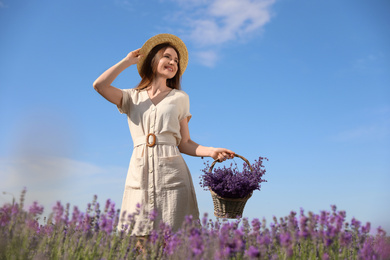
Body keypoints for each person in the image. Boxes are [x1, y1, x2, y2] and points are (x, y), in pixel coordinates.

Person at [93, 33, 234, 236]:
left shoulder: (180, 98)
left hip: (173, 176)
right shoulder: (132, 97)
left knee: (175, 243)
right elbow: (100, 85)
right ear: (153, 60)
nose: (172, 62)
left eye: (176, 60)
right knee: (140, 240)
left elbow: (185, 143)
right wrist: (127, 62)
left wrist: (211, 151)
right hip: (139, 173)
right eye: (167, 56)